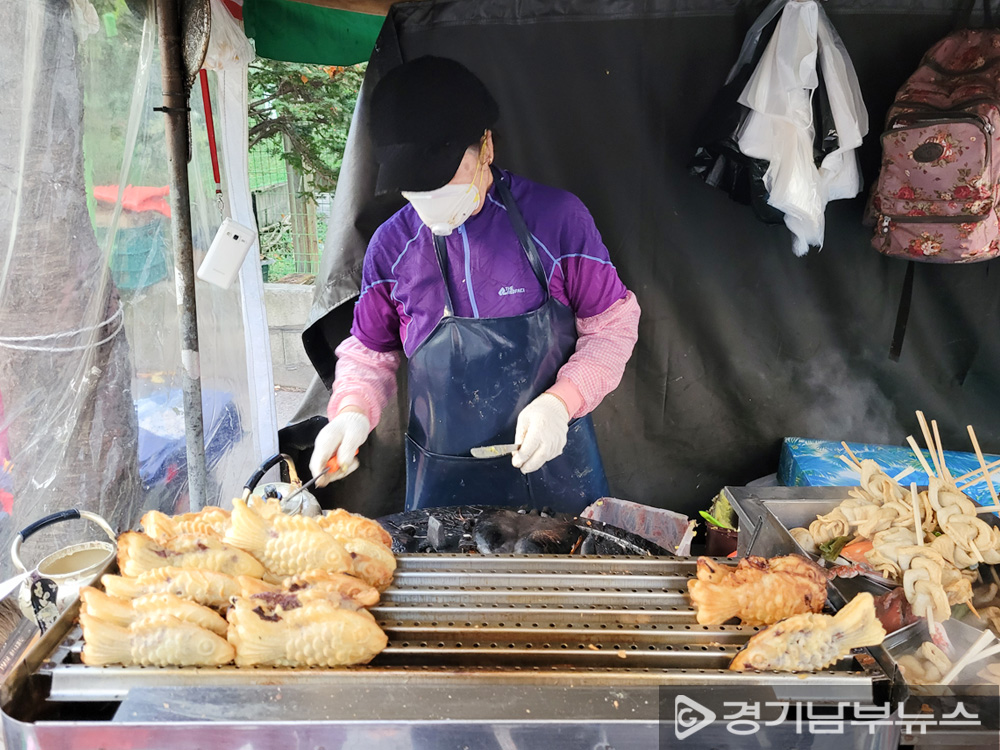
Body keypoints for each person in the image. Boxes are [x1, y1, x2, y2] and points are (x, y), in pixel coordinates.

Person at [309, 56, 640, 513]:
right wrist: (349, 412)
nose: (430, 198)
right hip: (443, 484)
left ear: (486, 145)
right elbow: (370, 354)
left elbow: (612, 330)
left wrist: (561, 404)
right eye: (414, 187)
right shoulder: (392, 246)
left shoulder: (558, 220)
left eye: (444, 178)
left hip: (557, 471)